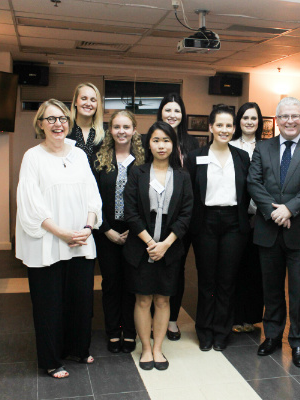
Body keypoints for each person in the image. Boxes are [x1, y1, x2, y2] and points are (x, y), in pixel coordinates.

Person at [16, 99, 102, 379]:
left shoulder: (79, 155)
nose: (58, 124)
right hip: (49, 244)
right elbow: (31, 204)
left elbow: (92, 195)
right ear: (40, 124)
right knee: (49, 305)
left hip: (81, 240)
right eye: (50, 119)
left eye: (63, 118)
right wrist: (63, 233)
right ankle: (52, 360)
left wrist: (87, 228)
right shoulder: (33, 157)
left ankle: (78, 349)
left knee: (80, 301)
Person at [247, 97, 300, 368]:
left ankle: (299, 342)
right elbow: (253, 182)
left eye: (295, 116)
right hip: (268, 230)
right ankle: (271, 336)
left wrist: (289, 210)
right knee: (271, 289)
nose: (290, 121)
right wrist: (273, 213)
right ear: (277, 120)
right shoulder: (263, 147)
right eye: (284, 117)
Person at [122, 121, 193, 371]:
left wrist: (166, 244)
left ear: (173, 144)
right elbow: (130, 212)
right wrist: (152, 243)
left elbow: (186, 214)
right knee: (142, 300)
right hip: (141, 246)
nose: (161, 145)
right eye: (156, 140)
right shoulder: (137, 172)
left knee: (163, 300)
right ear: (147, 143)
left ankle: (159, 348)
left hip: (170, 249)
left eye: (166, 140)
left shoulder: (183, 175)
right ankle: (145, 348)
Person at [185, 105, 251, 351]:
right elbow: (190, 193)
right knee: (206, 280)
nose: (225, 130)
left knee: (227, 280)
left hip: (234, 223)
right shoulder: (196, 157)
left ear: (234, 129)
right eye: (219, 125)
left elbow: (249, 190)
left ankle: (222, 331)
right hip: (205, 222)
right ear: (211, 127)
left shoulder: (242, 157)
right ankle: (204, 330)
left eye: (229, 126)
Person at [92, 110, 144, 354]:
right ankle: (113, 332)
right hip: (107, 233)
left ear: (134, 130)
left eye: (126, 126)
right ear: (109, 131)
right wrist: (106, 230)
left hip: (135, 234)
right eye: (116, 127)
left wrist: (137, 232)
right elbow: (92, 199)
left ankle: (130, 332)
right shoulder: (99, 160)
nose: (121, 131)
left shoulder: (143, 161)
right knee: (111, 283)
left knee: (132, 285)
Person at [156, 93, 200, 341]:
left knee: (178, 268)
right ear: (160, 112)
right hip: (157, 216)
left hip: (185, 218)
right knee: (156, 267)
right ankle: (153, 316)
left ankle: (172, 320)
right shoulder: (149, 138)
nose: (172, 115)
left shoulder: (192, 144)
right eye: (167, 110)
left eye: (177, 111)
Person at [229, 102, 264, 334]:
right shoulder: (228, 146)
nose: (249, 122)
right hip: (235, 217)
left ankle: (250, 317)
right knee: (234, 268)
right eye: (245, 118)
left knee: (256, 269)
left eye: (254, 118)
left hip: (260, 218)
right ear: (238, 121)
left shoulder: (267, 147)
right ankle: (233, 316)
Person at [67, 82, 104, 167]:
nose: (88, 103)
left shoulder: (105, 134)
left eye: (93, 100)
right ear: (75, 102)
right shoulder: (65, 131)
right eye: (84, 98)